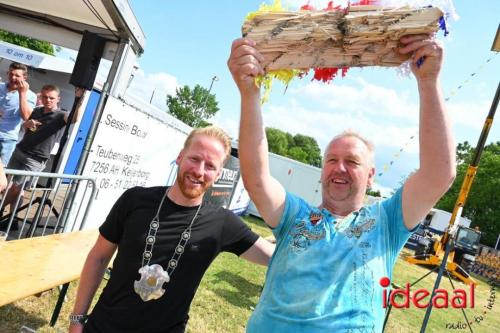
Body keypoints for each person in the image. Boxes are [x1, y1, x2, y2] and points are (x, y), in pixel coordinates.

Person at [228, 34, 456, 332]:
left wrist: (428, 82)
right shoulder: (295, 215)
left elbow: (439, 174)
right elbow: (257, 179)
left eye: (352, 161)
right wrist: (249, 94)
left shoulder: (387, 221)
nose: (340, 168)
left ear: (371, 175)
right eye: (331, 160)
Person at [69, 126, 275, 333]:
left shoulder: (222, 223)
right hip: (105, 326)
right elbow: (98, 257)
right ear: (180, 157)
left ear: (218, 173)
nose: (199, 171)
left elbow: (275, 257)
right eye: (194, 159)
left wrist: (304, 225)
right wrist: (77, 319)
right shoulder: (135, 200)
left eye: (210, 166)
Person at [2, 85, 85, 222]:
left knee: (17, 188)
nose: (48, 100)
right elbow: (25, 124)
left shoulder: (61, 115)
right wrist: (26, 124)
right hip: (20, 151)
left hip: (35, 159)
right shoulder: (37, 111)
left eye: (51, 98)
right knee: (11, 187)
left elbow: (74, 119)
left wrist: (79, 100)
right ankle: (12, 220)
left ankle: (2, 210)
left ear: (58, 99)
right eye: (45, 97)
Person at [0, 62, 37, 165]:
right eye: (11, 74)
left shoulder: (30, 95)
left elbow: (26, 116)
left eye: (17, 75)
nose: (13, 77)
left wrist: (22, 93)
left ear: (24, 77)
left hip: (6, 139)